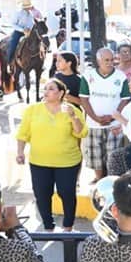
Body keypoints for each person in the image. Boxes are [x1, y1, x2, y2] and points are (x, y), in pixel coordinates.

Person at [16, 79, 87, 232]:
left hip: (67, 162)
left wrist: (73, 117)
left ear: (61, 93)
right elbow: (22, 134)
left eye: (51, 89)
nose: (46, 91)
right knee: (41, 194)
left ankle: (68, 226)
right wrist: (20, 152)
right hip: (39, 161)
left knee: (67, 193)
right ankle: (48, 227)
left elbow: (81, 132)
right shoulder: (33, 110)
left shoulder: (72, 109)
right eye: (45, 88)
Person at [79, 47, 130, 182]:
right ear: (98, 60)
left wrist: (113, 116)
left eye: (112, 59)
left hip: (114, 125)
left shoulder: (121, 76)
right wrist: (95, 118)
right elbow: (84, 99)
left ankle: (111, 181)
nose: (110, 63)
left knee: (113, 155)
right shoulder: (88, 76)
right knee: (96, 156)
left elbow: (125, 99)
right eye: (106, 60)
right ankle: (99, 179)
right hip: (93, 124)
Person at [6, 0, 36, 66]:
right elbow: (13, 24)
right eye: (28, 7)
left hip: (29, 32)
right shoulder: (18, 13)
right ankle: (9, 62)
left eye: (29, 7)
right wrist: (23, 30)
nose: (29, 8)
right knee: (13, 45)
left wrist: (30, 30)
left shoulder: (31, 14)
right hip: (18, 32)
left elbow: (32, 24)